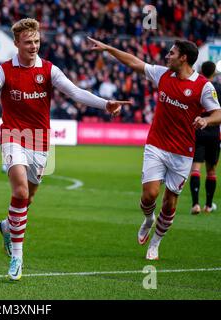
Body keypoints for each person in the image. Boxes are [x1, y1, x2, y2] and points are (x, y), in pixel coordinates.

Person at [0, 18, 129, 280]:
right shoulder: (4, 70)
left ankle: (7, 227)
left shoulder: (48, 69)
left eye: (36, 41)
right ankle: (17, 258)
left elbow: (75, 92)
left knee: (28, 199)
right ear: (16, 43)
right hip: (13, 135)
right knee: (20, 190)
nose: (33, 46)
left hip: (41, 140)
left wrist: (105, 104)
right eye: (28, 42)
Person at [88, 37, 221, 260]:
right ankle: (148, 219)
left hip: (182, 152)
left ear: (183, 58)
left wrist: (206, 121)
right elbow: (133, 62)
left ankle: (155, 243)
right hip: (156, 145)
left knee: (170, 202)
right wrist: (108, 48)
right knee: (150, 194)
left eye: (171, 53)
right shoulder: (163, 74)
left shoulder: (203, 86)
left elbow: (218, 113)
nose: (166, 55)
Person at [190, 61, 221, 214]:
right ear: (214, 72)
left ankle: (195, 204)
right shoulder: (218, 88)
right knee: (211, 171)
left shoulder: (198, 86)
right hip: (214, 132)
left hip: (199, 130)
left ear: (201, 71)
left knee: (196, 168)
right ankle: (208, 206)